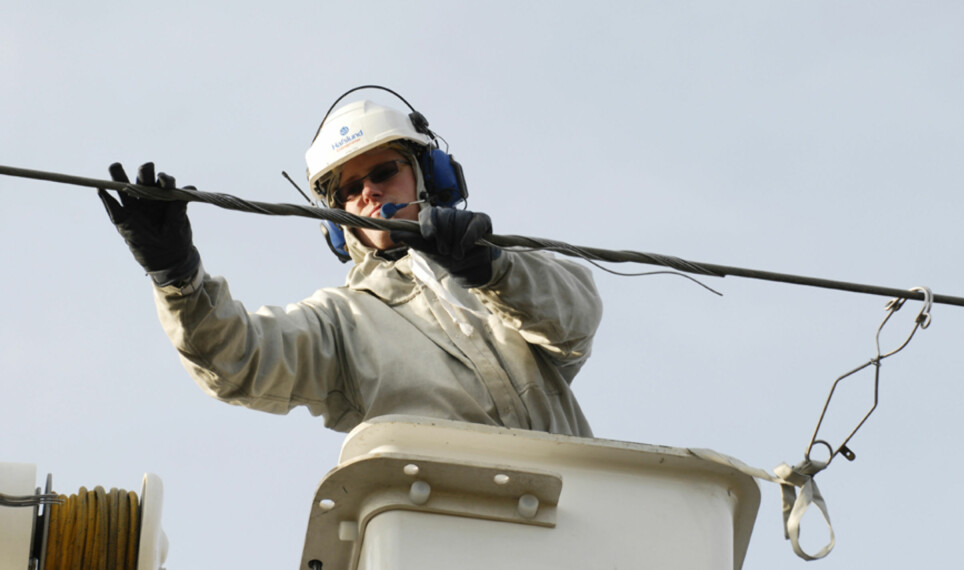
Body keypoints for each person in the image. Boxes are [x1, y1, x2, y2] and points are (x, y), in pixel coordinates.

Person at [98, 95, 602, 437]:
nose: (370, 194)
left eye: (384, 172)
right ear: (336, 222)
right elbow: (241, 360)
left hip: (569, 520)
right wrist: (178, 277)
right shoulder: (342, 323)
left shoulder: (505, 277)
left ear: (429, 177)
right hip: (440, 526)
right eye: (350, 191)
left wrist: (490, 268)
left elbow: (576, 316)